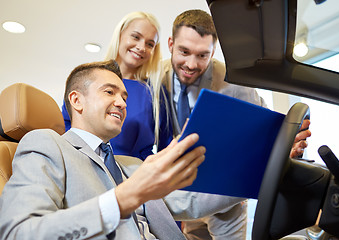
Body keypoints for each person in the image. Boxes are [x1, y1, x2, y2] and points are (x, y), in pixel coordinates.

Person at [0, 60, 244, 240]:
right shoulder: (46, 144)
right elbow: (19, 233)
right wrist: (123, 198)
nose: (122, 102)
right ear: (76, 100)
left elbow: (190, 201)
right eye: (109, 92)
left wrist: (261, 174)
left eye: (124, 97)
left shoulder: (130, 165)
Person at [161, 9, 312, 240]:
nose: (191, 64)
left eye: (203, 55)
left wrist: (284, 143)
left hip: (225, 195)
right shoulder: (156, 78)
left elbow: (258, 130)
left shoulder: (235, 83)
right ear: (171, 44)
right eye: (184, 52)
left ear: (213, 52)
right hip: (184, 187)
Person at [61, 11, 172, 160]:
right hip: (86, 166)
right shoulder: (87, 78)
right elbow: (66, 127)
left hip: (136, 173)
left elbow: (165, 147)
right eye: (136, 37)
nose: (141, 47)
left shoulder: (156, 93)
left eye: (150, 44)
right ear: (120, 35)